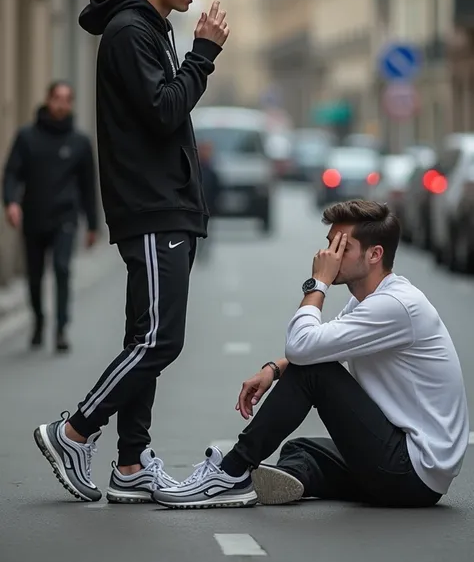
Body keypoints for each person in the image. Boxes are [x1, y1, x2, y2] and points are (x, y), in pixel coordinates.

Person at [33, 0, 230, 504]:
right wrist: (205, 55)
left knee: (145, 335)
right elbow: (165, 111)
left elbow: (163, 110)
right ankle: (73, 431)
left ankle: (130, 463)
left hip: (167, 205)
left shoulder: (148, 29)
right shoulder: (130, 32)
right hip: (152, 207)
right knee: (159, 340)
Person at [152, 200, 469, 510]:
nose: (328, 256)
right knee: (300, 448)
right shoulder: (372, 301)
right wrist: (274, 369)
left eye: (342, 248)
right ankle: (297, 477)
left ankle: (231, 474)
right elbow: (321, 346)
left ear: (375, 254)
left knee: (313, 373)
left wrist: (318, 283)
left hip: (411, 472)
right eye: (329, 244)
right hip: (407, 467)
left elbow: (304, 348)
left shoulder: (395, 306)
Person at [2, 81, 98, 352]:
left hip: (65, 218)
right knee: (34, 276)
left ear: (72, 104)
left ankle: (61, 329)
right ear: (47, 100)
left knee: (62, 268)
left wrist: (92, 224)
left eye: (67, 99)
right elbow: (11, 173)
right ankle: (39, 320)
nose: (61, 104)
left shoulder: (80, 142)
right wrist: (10, 202)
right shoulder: (27, 137)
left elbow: (88, 186)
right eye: (57, 98)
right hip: (33, 216)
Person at [197, 140, 220, 262]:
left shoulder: (212, 171)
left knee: (207, 233)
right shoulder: (194, 169)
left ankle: (204, 252)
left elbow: (217, 190)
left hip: (208, 209)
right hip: (195, 209)